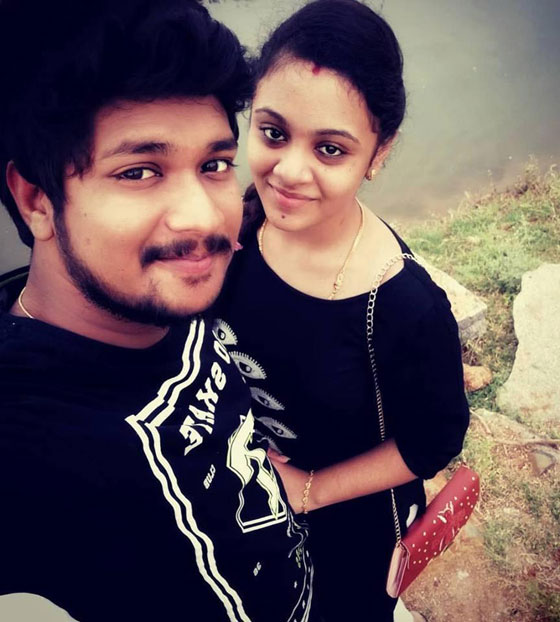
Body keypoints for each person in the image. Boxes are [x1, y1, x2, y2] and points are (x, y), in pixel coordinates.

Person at [0, 1, 316, 621]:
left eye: (215, 165)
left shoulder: (165, 288)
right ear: (37, 200)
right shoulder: (29, 454)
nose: (203, 217)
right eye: (140, 172)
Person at [214, 1, 470, 621]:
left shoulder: (404, 306)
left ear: (379, 154)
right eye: (273, 133)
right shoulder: (243, 225)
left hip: (350, 527)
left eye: (330, 149)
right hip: (248, 494)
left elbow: (434, 439)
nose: (289, 172)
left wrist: (311, 489)